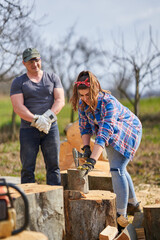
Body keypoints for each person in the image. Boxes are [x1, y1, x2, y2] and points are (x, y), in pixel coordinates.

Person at [70, 70, 142, 230]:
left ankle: (121, 216)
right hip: (111, 133)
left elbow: (104, 133)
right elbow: (84, 127)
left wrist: (92, 161)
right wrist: (87, 148)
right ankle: (133, 204)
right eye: (81, 95)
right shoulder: (83, 104)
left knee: (117, 169)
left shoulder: (108, 102)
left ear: (95, 89)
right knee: (120, 169)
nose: (84, 99)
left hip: (129, 130)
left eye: (87, 95)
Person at [10, 48, 65, 186]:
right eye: (30, 61)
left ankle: (54, 204)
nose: (34, 64)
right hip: (28, 130)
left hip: (50, 128)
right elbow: (18, 107)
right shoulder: (18, 82)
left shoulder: (53, 77)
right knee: (28, 168)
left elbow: (60, 100)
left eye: (36, 60)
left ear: (40, 59)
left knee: (54, 167)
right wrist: (36, 120)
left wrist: (47, 118)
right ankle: (28, 204)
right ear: (24, 63)